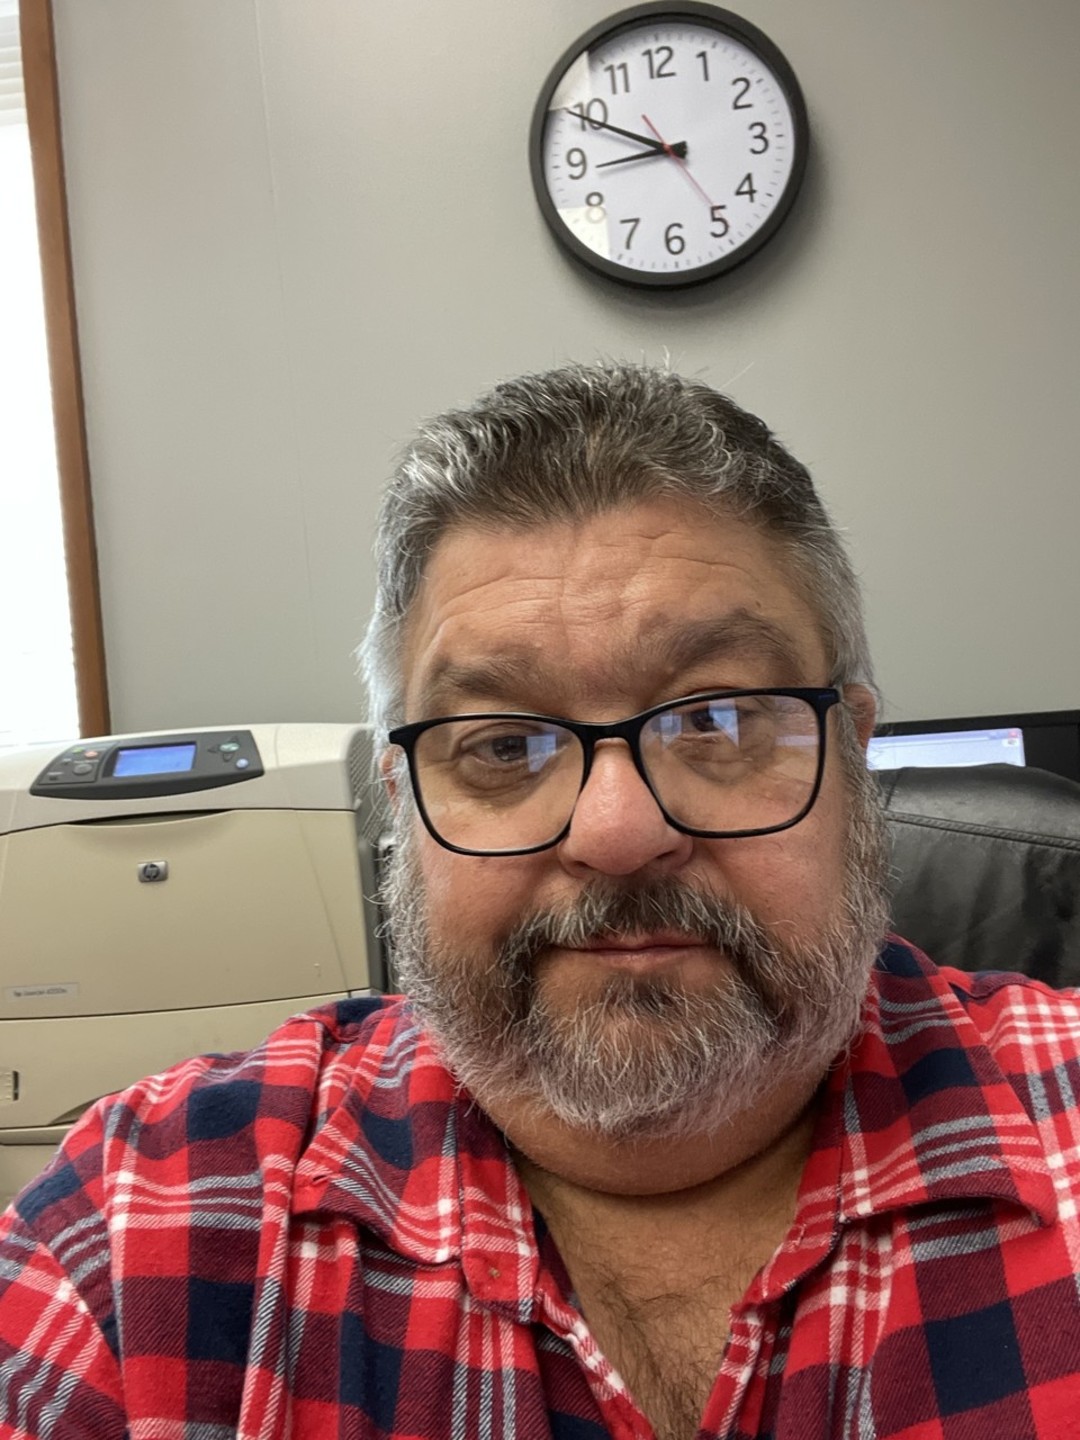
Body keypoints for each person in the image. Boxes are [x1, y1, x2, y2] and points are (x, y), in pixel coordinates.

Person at [1, 363, 1078, 1440]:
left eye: (715, 720)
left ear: (853, 753)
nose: (616, 832)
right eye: (505, 745)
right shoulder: (139, 1232)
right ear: (404, 805)